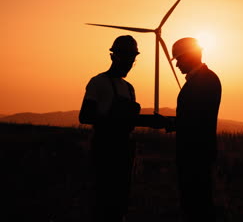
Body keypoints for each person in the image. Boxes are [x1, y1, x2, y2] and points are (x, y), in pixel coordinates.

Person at [79, 35, 165, 222]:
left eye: (132, 60)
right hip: (104, 148)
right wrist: (114, 120)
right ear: (113, 56)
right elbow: (85, 116)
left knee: (121, 200)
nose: (129, 64)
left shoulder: (129, 88)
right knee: (103, 200)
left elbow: (130, 120)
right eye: (126, 58)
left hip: (124, 149)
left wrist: (156, 121)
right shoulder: (98, 82)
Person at [171, 37, 222, 222]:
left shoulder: (205, 81)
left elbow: (195, 120)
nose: (176, 65)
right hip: (196, 153)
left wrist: (171, 123)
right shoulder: (205, 79)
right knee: (195, 204)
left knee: (196, 206)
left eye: (178, 59)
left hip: (196, 154)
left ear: (190, 56)